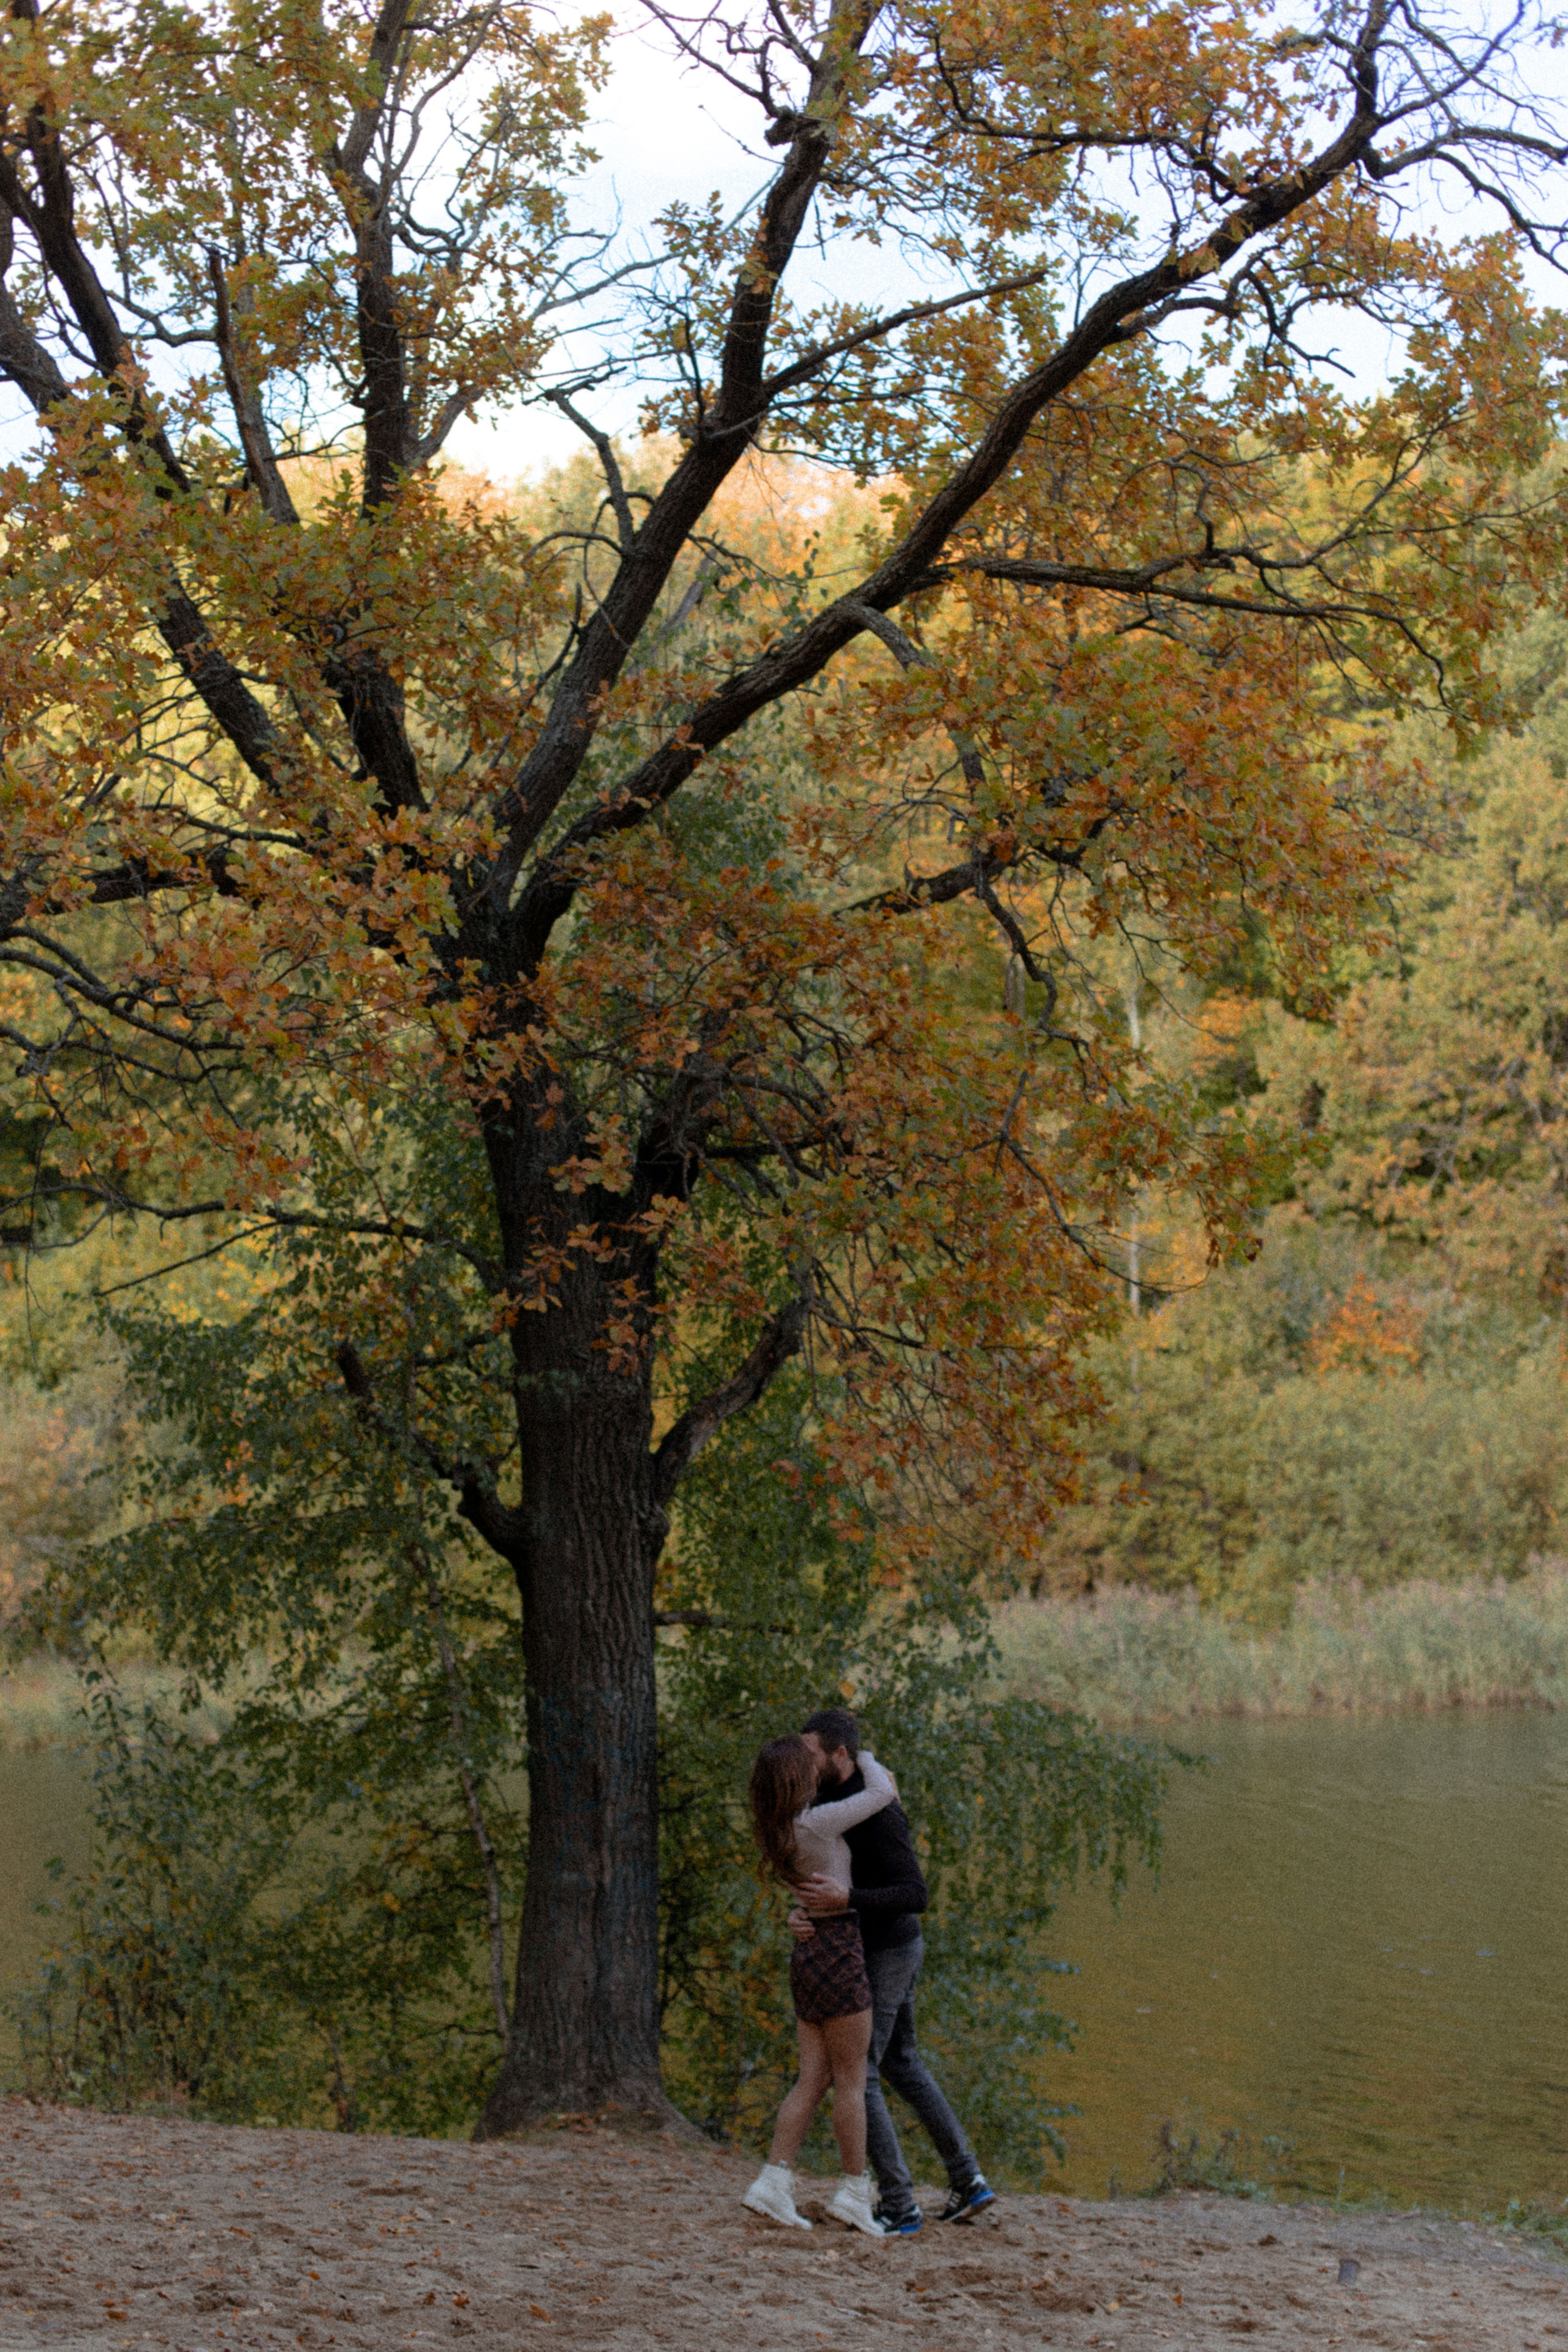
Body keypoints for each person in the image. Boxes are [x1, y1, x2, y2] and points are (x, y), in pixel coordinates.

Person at [791, 1707, 995, 2234]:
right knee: (902, 2062)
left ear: (840, 1754)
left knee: (860, 2073)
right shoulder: (836, 1800)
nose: (802, 1762)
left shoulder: (878, 1810)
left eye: (810, 1753)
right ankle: (968, 2180)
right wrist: (804, 1911)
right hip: (874, 1947)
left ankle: (900, 2203)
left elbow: (916, 1894)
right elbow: (826, 1872)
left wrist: (848, 1901)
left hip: (889, 1950)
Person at [741, 1732, 898, 2237]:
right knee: (851, 2081)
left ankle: (773, 2181)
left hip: (807, 1954)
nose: (815, 1769)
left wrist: (797, 1913)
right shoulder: (817, 1821)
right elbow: (881, 1793)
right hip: (839, 1949)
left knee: (811, 2079)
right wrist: (860, 1751)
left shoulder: (775, 1830)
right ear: (795, 1778)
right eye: (806, 1764)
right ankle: (854, 2191)